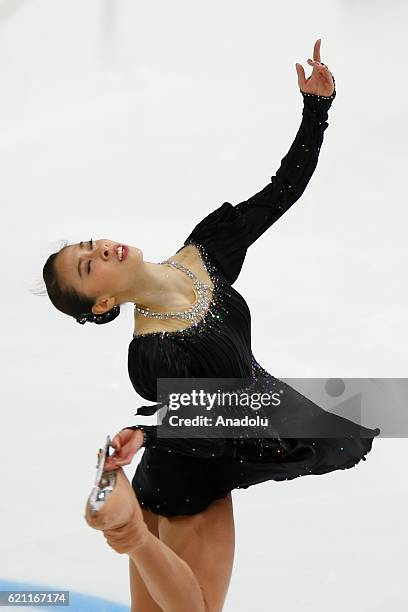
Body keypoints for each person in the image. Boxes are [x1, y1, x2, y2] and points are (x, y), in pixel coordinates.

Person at [41, 39, 380, 612]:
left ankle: (134, 534)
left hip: (213, 446)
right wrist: (149, 434)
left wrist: (315, 110)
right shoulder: (152, 353)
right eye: (88, 264)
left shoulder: (204, 254)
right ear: (102, 306)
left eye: (87, 244)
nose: (99, 247)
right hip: (190, 479)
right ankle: (130, 535)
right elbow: (202, 420)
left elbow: (280, 194)